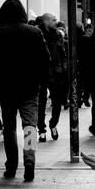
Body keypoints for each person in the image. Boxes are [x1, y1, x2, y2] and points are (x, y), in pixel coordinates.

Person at [0, 0, 49, 182]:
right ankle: (29, 161)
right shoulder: (34, 32)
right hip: (29, 88)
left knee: (9, 128)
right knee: (30, 126)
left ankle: (11, 164)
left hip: (6, 88)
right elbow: (45, 59)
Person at [36, 14, 68, 143]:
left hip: (55, 73)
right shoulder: (37, 34)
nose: (56, 22)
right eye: (53, 20)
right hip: (41, 72)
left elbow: (63, 53)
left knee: (57, 102)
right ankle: (42, 130)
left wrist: (63, 68)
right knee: (41, 103)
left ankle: (53, 124)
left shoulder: (58, 35)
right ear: (46, 21)